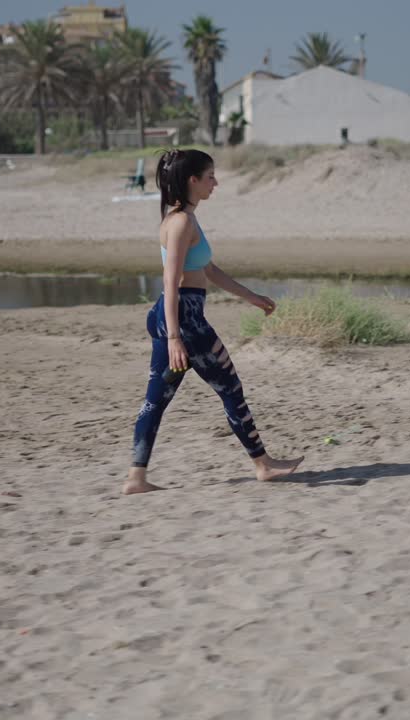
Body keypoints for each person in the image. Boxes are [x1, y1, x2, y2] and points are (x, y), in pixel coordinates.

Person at [125, 149, 303, 495]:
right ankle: (263, 465)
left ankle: (136, 478)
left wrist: (251, 296)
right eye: (210, 177)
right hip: (184, 319)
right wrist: (176, 337)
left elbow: (207, 269)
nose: (215, 183)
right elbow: (171, 279)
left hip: (176, 316)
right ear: (192, 180)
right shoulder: (181, 222)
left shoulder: (183, 218)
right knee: (231, 390)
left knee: (156, 401)